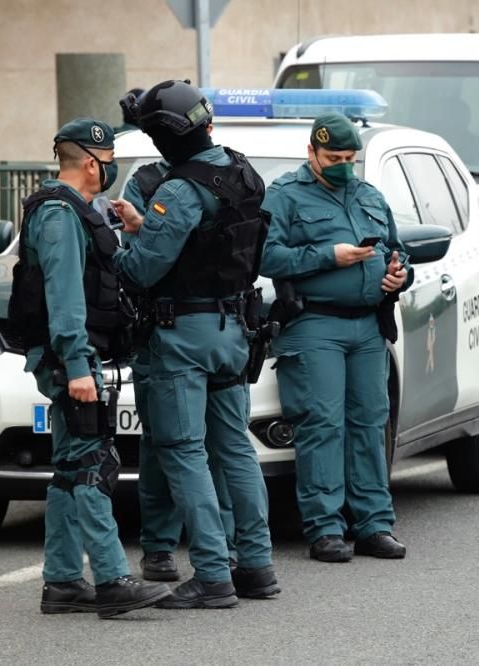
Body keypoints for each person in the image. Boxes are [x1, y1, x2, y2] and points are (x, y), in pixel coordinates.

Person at [112, 80, 277, 607]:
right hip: (233, 329)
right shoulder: (243, 170)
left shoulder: (179, 189)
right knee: (234, 451)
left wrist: (115, 244)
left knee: (184, 452)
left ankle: (212, 575)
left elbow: (141, 269)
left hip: (183, 333)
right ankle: (255, 565)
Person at [8, 118, 171, 618]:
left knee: (67, 471)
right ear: (90, 162)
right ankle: (113, 580)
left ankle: (61, 583)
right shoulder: (59, 213)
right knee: (94, 464)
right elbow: (64, 298)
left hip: (69, 356)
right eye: (108, 160)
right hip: (69, 359)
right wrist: (78, 365)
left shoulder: (76, 210)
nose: (111, 169)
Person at [261, 112, 412, 563]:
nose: (343, 165)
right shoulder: (285, 197)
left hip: (367, 324)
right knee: (322, 424)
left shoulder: (368, 194)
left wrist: (397, 273)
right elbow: (267, 256)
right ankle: (325, 527)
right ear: (312, 153)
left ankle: (374, 525)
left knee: (369, 423)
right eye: (333, 157)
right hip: (314, 324)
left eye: (350, 157)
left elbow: (396, 246)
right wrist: (329, 256)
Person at [122, 154, 238, 583]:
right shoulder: (149, 180)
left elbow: (139, 264)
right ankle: (161, 548)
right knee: (163, 444)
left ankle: (222, 552)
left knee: (212, 448)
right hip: (166, 329)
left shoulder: (228, 176)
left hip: (201, 329)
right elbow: (140, 254)